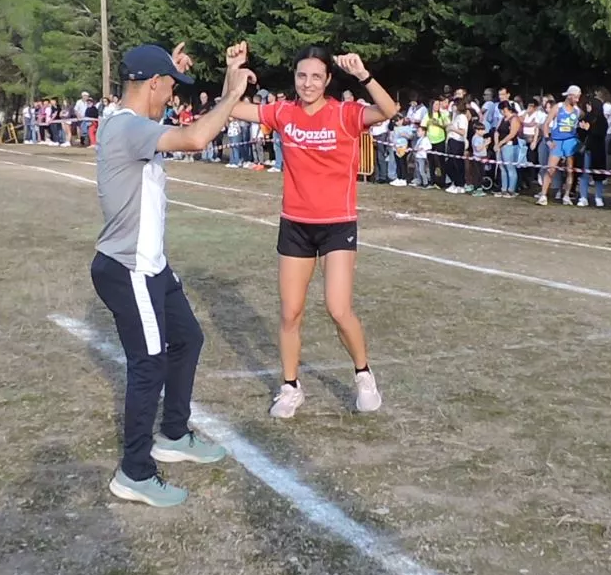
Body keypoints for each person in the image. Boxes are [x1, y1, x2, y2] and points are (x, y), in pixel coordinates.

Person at [90, 40, 256, 508]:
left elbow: (176, 119)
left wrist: (217, 76)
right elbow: (197, 138)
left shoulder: (127, 120)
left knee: (187, 339)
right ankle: (135, 472)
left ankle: (174, 435)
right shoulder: (128, 128)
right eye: (169, 86)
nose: (172, 95)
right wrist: (233, 93)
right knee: (149, 365)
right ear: (152, 85)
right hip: (130, 269)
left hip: (152, 266)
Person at [227, 45, 400, 419]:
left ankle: (363, 375)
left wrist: (364, 75)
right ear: (294, 77)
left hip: (337, 224)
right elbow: (231, 107)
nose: (308, 83)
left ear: (328, 80)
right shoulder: (283, 112)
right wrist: (233, 70)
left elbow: (389, 110)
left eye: (316, 76)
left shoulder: (344, 114)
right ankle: (290, 387)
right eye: (302, 75)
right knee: (290, 313)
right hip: (295, 224)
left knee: (338, 309)